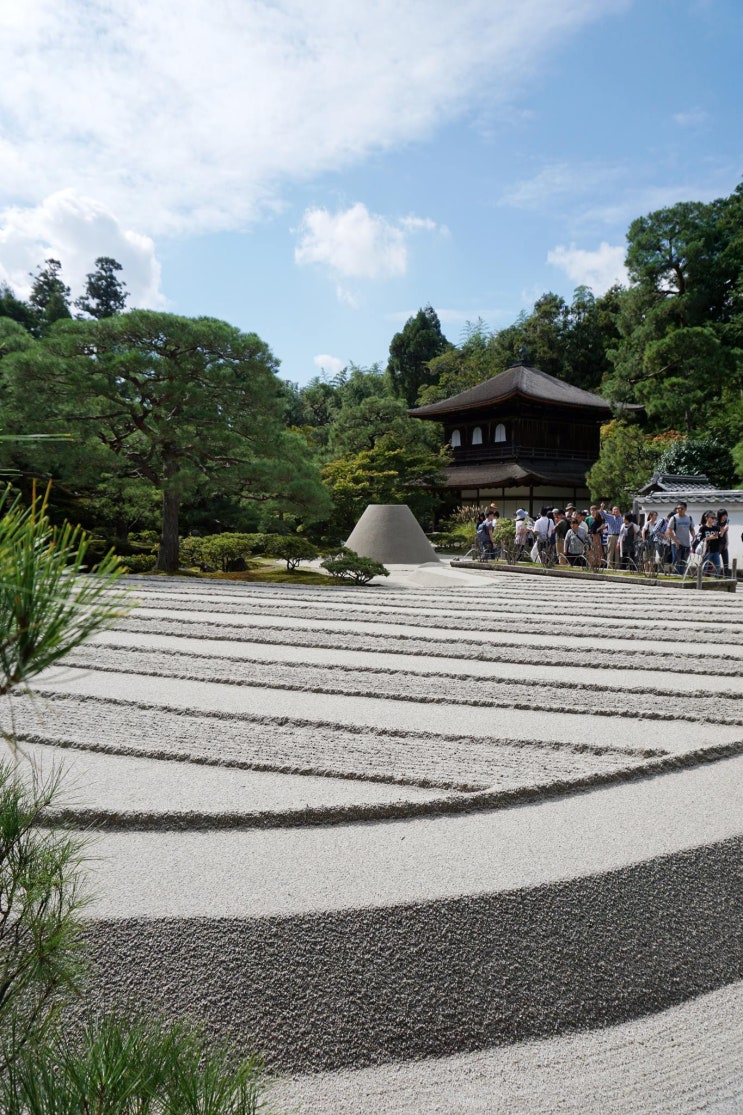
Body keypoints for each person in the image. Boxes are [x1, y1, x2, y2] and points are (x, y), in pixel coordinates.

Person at [667, 501, 695, 574]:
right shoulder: (674, 518)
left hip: (686, 544)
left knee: (684, 561)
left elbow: (691, 529)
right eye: (678, 508)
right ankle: (674, 575)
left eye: (681, 508)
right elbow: (669, 531)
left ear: (685, 509)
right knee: (676, 561)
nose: (679, 510)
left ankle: (681, 575)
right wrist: (675, 541)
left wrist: (694, 537)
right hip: (676, 544)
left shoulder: (689, 518)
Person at [694, 511, 723, 576]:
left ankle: (716, 580)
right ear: (707, 518)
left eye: (714, 518)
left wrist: (721, 534)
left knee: (718, 567)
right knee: (705, 567)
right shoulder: (703, 528)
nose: (713, 519)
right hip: (707, 551)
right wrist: (709, 538)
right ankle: (701, 579)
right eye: (712, 518)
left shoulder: (716, 528)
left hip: (715, 550)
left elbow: (720, 539)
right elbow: (699, 539)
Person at [599, 503, 622, 569]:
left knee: (617, 552)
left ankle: (617, 567)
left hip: (619, 536)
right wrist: (602, 507)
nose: (616, 511)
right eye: (614, 510)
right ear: (612, 511)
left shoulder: (622, 518)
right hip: (611, 536)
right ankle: (609, 566)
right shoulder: (609, 517)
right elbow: (601, 513)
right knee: (610, 552)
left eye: (617, 510)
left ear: (619, 511)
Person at [717, 509, 730, 577]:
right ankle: (717, 576)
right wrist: (724, 529)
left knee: (726, 563)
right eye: (723, 515)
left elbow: (725, 535)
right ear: (720, 516)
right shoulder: (716, 523)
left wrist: (727, 542)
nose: (725, 517)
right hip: (718, 545)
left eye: (726, 515)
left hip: (724, 544)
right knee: (716, 562)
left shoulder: (725, 523)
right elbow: (721, 535)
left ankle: (727, 577)